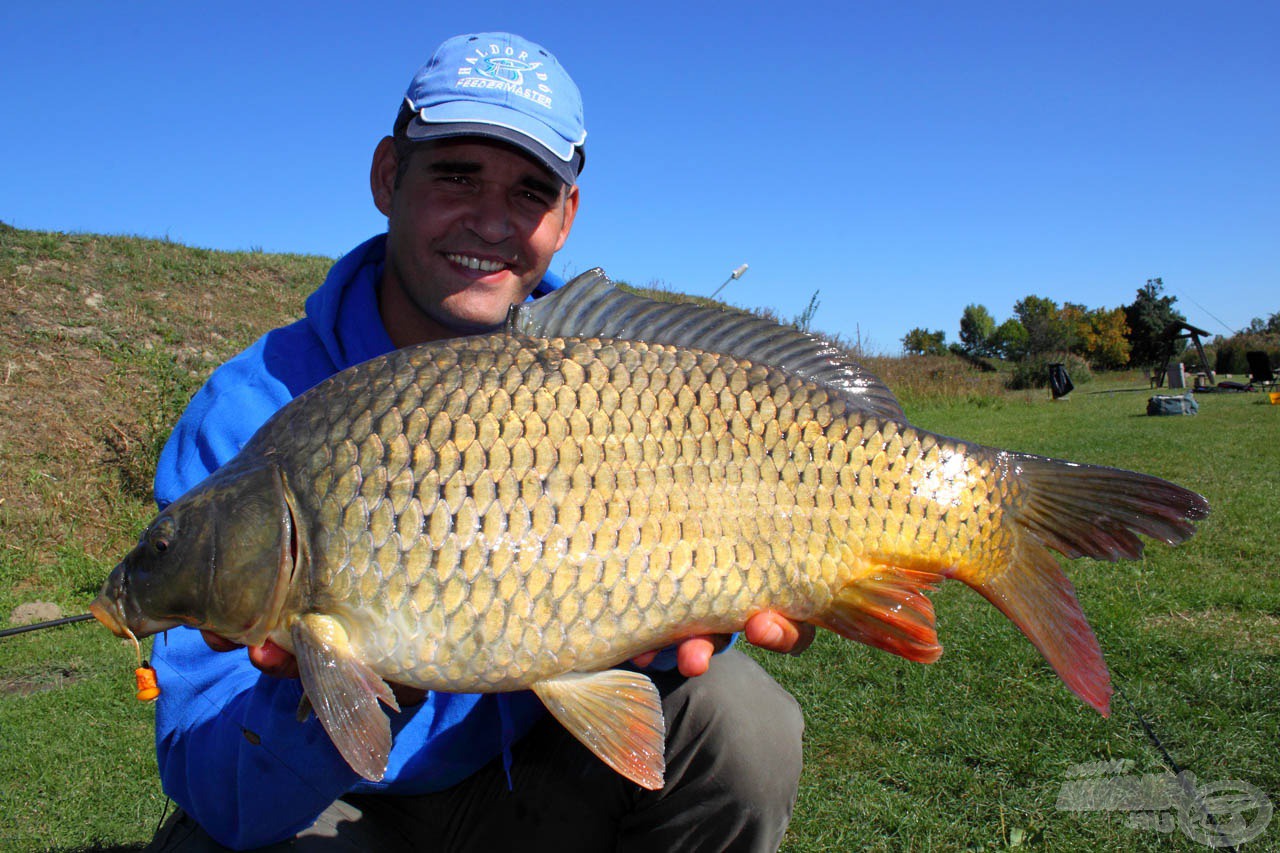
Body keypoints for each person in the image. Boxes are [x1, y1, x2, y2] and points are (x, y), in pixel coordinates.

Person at [145, 32, 810, 852]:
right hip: (343, 799)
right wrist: (325, 696)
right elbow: (213, 777)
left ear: (565, 219)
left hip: (541, 771)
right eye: (457, 175)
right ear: (390, 175)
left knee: (745, 725)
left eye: (531, 191)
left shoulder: (621, 373)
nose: (492, 219)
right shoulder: (252, 416)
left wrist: (681, 620)